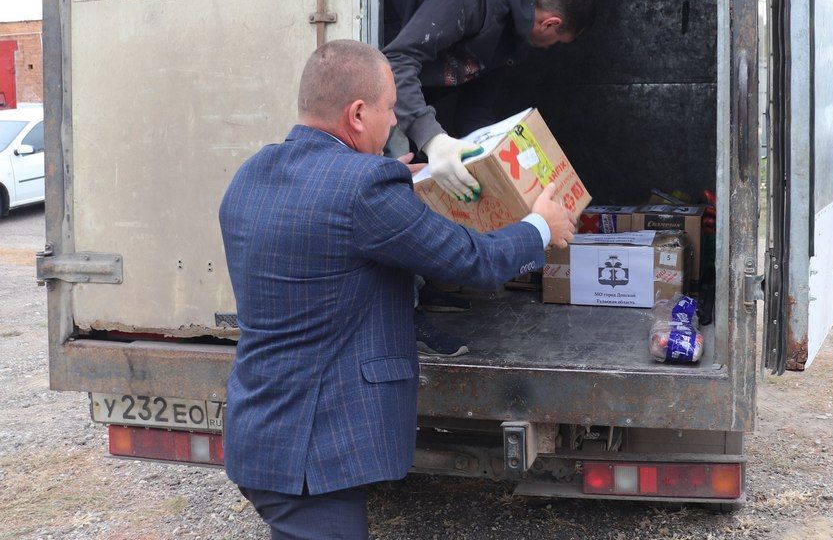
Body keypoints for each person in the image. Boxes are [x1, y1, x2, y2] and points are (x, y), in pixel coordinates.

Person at [219, 40, 573, 539]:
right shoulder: (364, 190)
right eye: (390, 110)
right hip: (314, 452)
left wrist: (391, 181)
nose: (394, 124)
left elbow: (323, 217)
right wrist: (539, 224)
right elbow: (475, 261)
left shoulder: (251, 174)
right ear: (358, 113)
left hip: (263, 430)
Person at [380, 0, 594, 355]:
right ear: (550, 24)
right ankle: (401, 319)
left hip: (401, 91)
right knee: (391, 182)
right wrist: (433, 138)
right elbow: (396, 62)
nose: (552, 49)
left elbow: (476, 108)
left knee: (444, 179)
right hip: (375, 75)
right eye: (559, 41)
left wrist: (487, 161)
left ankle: (423, 287)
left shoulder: (510, 38)